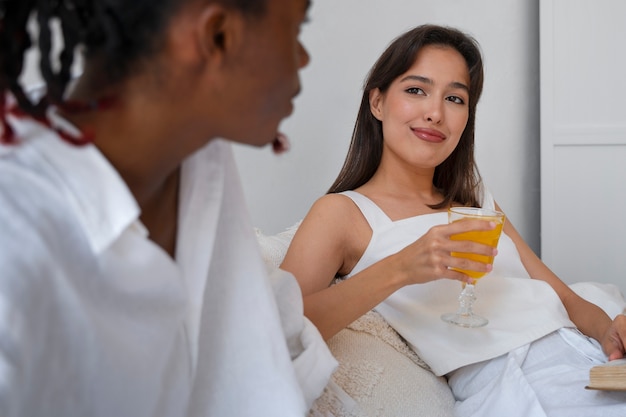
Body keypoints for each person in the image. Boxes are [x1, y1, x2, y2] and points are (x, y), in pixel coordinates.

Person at [0, 1, 337, 416]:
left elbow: (263, 333)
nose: (302, 57)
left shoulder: (200, 155)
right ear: (218, 36)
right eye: (297, 28)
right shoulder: (15, 251)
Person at [280, 24, 626, 416]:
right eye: (416, 90)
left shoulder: (476, 201)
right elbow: (280, 326)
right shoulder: (342, 213)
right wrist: (401, 268)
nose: (435, 113)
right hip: (520, 380)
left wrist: (607, 331)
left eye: (455, 98)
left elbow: (562, 296)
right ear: (377, 102)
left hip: (589, 359)